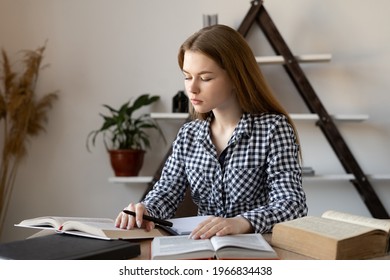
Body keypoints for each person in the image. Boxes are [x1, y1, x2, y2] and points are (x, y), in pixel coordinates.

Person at [116, 24, 307, 239]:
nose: (192, 88)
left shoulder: (273, 129)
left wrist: (241, 223)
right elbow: (166, 192)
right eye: (187, 77)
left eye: (205, 78)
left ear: (236, 77)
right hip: (202, 248)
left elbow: (292, 205)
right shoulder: (189, 134)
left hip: (257, 249)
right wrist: (145, 210)